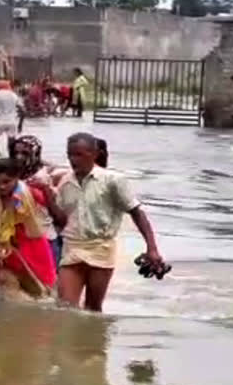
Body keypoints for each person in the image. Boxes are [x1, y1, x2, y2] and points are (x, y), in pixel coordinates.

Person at [54, 133, 164, 312]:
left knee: (93, 308)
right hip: (72, 248)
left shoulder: (113, 181)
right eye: (70, 155)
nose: (73, 160)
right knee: (65, 307)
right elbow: (59, 219)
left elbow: (136, 213)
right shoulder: (64, 182)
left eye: (79, 154)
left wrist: (152, 248)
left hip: (101, 249)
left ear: (94, 154)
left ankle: (92, 340)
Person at [0, 158, 60, 299]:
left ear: (17, 178)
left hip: (32, 249)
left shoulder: (31, 194)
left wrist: (47, 188)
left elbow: (56, 210)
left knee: (42, 294)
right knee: (6, 288)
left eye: (6, 181)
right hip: (4, 252)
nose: (1, 186)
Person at [8, 135, 64, 268]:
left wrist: (45, 188)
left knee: (48, 284)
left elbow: (60, 209)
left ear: (36, 153)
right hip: (16, 238)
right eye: (16, 153)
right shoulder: (8, 174)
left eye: (25, 153)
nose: (19, 157)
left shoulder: (48, 173)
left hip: (45, 237)